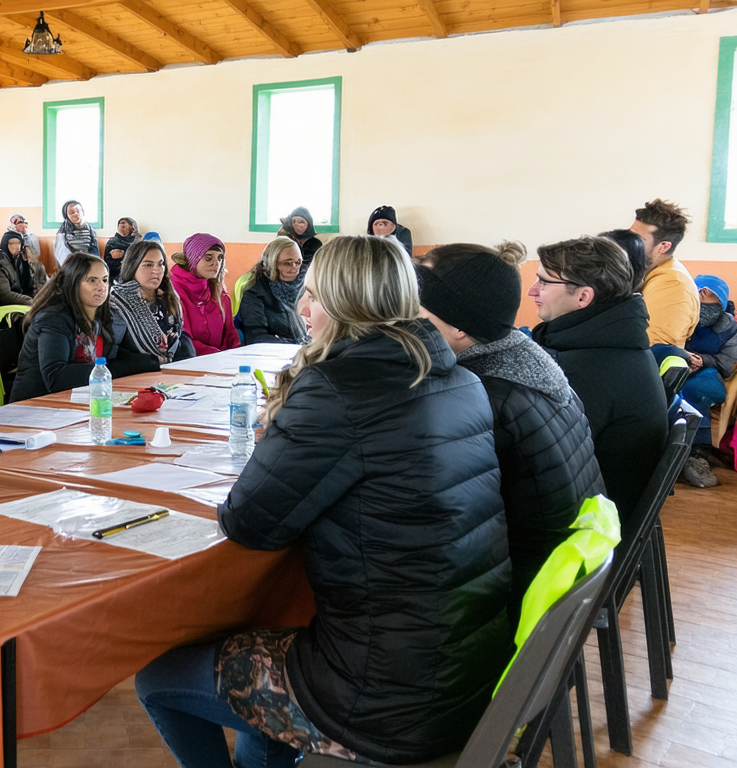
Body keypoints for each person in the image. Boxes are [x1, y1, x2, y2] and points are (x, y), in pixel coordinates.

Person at [137, 235, 511, 768]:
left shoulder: (337, 387)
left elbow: (250, 524)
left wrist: (285, 439)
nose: (301, 308)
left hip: (379, 699)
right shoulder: (460, 379)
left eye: (315, 295)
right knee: (265, 644)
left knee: (157, 677)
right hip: (463, 672)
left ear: (350, 303)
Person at [417, 240, 604, 607]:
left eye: (417, 309)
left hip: (518, 587)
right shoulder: (523, 356)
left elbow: (428, 514)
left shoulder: (483, 394)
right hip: (559, 562)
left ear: (458, 325)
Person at [530, 236, 668, 518]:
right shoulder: (610, 342)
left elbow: (539, 461)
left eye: (544, 282)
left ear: (583, 297)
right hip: (596, 505)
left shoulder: (590, 366)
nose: (533, 290)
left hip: (588, 527)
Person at [10, 253, 158, 402]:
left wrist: (153, 362)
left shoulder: (98, 315)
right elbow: (56, 378)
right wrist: (109, 370)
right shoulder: (54, 318)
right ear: (72, 283)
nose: (101, 287)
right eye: (92, 280)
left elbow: (113, 354)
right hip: (34, 407)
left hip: (73, 403)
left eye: (104, 280)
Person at [676, 275, 737, 487]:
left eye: (710, 294)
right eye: (700, 290)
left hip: (708, 373)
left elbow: (729, 362)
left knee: (697, 389)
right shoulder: (679, 313)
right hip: (676, 365)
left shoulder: (728, 326)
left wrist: (703, 360)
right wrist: (682, 355)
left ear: (722, 300)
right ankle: (672, 447)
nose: (703, 295)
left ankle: (697, 451)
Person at [110, 240, 195, 366]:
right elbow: (112, 351)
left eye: (161, 264)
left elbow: (178, 337)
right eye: (148, 265)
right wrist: (150, 362)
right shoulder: (118, 302)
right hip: (134, 373)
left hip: (171, 371)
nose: (156, 270)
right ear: (133, 266)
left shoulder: (170, 297)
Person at [629, 199, 698, 353]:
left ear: (663, 246)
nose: (628, 242)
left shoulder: (673, 285)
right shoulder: (652, 270)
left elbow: (652, 347)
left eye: (637, 239)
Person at [170, 233, 239, 355]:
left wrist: (235, 355)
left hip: (221, 361)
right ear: (193, 258)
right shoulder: (173, 290)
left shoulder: (218, 291)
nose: (216, 264)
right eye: (208, 257)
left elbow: (230, 334)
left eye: (220, 258)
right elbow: (183, 340)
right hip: (189, 362)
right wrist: (218, 355)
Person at [235, 237, 309, 344]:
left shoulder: (300, 287)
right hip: (271, 353)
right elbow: (256, 337)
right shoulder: (254, 292)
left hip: (297, 349)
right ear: (272, 263)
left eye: (298, 262)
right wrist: (294, 346)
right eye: (287, 263)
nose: (294, 268)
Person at [0, 232, 47, 306]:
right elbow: (5, 296)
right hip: (6, 305)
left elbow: (30, 284)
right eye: (13, 243)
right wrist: (31, 301)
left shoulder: (19, 260)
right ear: (5, 245)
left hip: (22, 299)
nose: (17, 246)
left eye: (19, 243)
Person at [103, 216, 138, 282]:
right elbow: (106, 261)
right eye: (121, 224)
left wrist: (124, 254)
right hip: (114, 273)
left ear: (132, 227)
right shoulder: (112, 241)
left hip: (131, 273)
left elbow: (138, 258)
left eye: (125, 224)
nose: (122, 226)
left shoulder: (137, 241)